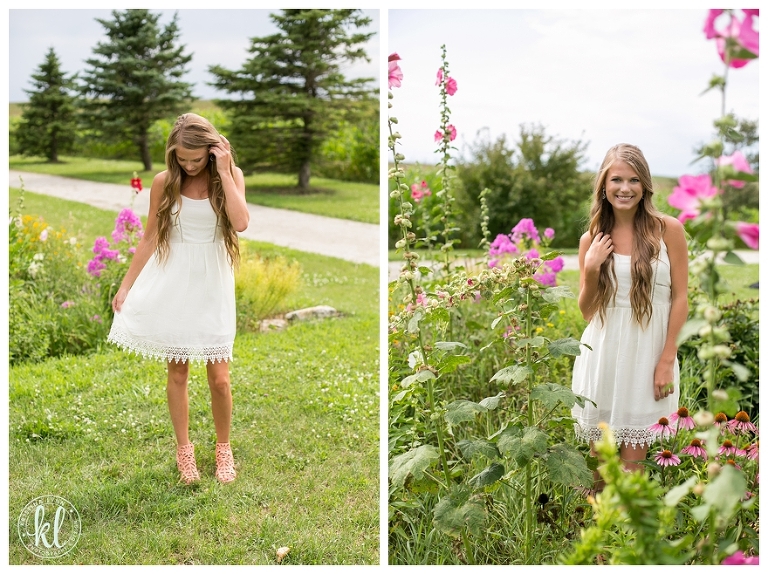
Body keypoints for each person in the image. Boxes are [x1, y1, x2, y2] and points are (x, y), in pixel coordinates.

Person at [108, 113, 250, 484]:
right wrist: (126, 285)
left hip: (213, 282)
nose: (189, 165)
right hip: (174, 280)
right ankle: (184, 452)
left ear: (212, 150)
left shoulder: (229, 177)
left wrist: (224, 166)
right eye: (182, 159)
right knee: (178, 370)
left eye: (197, 159)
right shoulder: (164, 182)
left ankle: (223, 449)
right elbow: (150, 238)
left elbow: (241, 222)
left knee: (219, 378)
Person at [571, 143, 688, 491]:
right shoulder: (591, 239)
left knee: (632, 467)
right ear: (604, 186)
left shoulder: (668, 230)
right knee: (601, 463)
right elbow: (587, 312)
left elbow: (681, 297)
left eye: (634, 180)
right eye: (617, 179)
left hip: (649, 355)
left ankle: (626, 539)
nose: (625, 188)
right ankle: (601, 542)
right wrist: (591, 269)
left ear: (645, 185)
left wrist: (667, 359)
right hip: (604, 353)